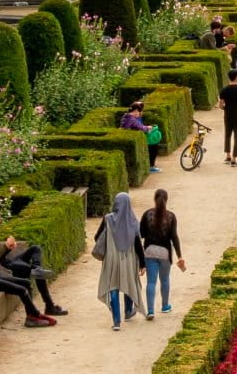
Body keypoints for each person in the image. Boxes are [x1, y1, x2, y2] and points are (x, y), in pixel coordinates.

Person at [0, 211, 65, 312]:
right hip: (6, 266)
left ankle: (37, 269)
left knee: (35, 248)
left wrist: (9, 247)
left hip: (9, 261)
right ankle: (49, 306)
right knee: (36, 273)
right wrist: (6, 245)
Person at [94, 192, 144, 331]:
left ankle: (116, 321)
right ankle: (128, 311)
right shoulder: (133, 221)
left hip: (111, 258)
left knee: (113, 287)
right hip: (128, 259)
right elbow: (138, 244)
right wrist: (143, 263)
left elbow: (97, 237)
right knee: (127, 282)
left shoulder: (107, 219)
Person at [139, 189, 184, 319]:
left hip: (150, 251)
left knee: (151, 282)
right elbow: (174, 237)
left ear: (154, 199)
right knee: (164, 279)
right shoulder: (171, 216)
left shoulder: (147, 214)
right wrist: (179, 255)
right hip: (165, 252)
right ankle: (165, 306)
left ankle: (151, 310)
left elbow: (141, 233)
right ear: (167, 200)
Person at [120, 101, 162, 173]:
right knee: (153, 146)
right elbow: (141, 128)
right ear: (136, 111)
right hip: (133, 141)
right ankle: (151, 166)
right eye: (139, 112)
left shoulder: (126, 116)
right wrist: (148, 127)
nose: (140, 114)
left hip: (129, 138)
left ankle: (151, 166)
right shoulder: (132, 119)